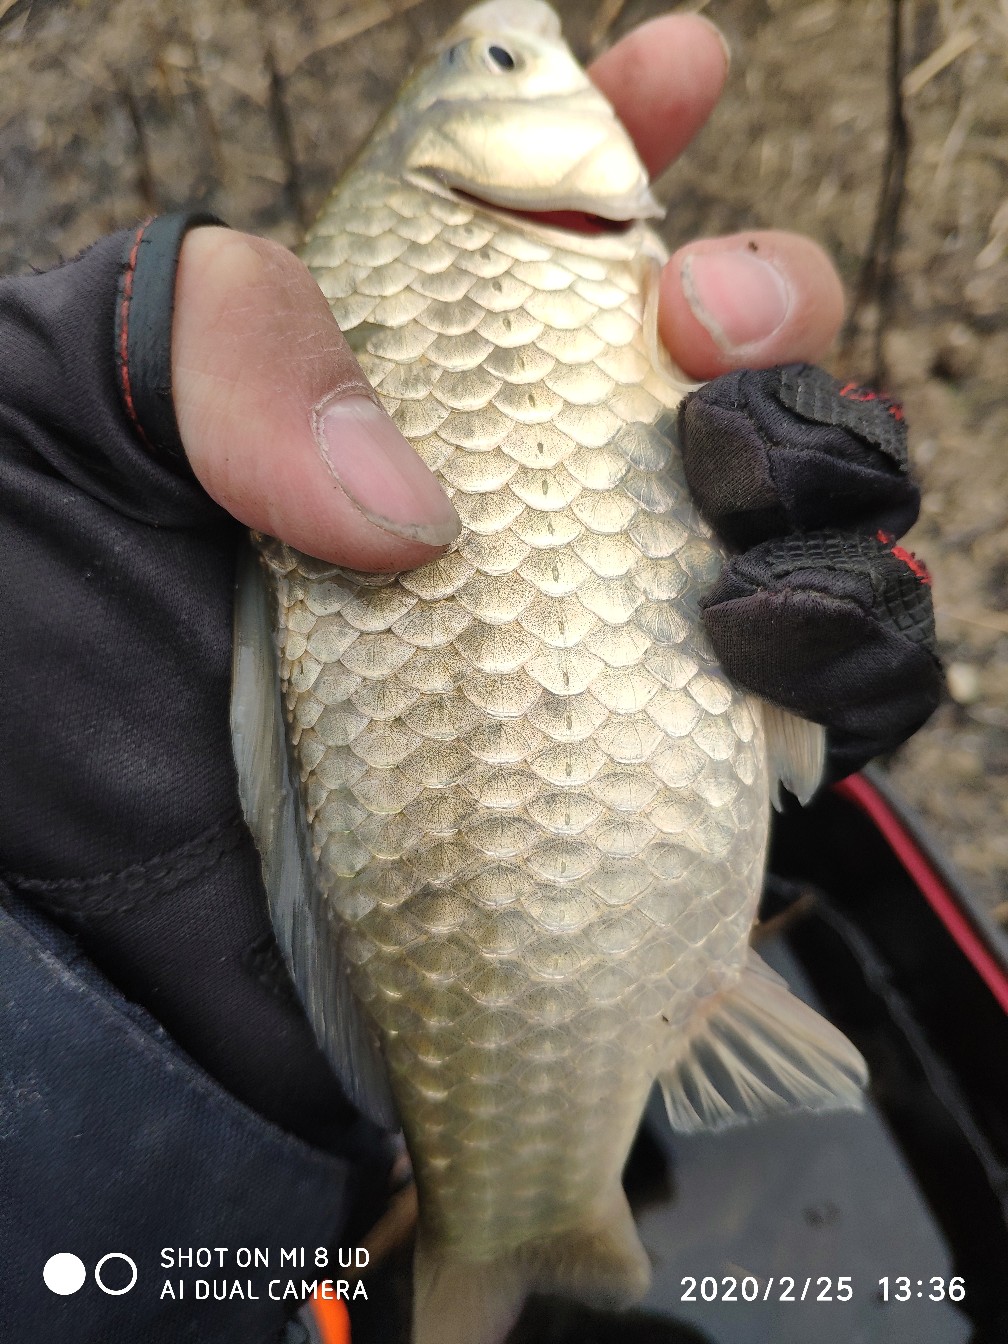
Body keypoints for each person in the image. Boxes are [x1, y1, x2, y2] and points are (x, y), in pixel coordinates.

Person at [0, 14, 940, 1343]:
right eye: (500, 59)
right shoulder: (450, 245)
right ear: (452, 165)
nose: (529, 36)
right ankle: (501, 1237)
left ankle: (497, 1236)